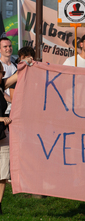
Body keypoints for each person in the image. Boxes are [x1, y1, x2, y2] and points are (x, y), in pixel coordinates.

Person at [0, 56, 32, 214]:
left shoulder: (1, 86)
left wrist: (27, 63)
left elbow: (17, 76)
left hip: (2, 134)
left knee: (3, 172)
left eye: (0, 72)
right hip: (2, 125)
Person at [0, 37, 17, 112]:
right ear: (0, 49)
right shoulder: (0, 67)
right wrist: (12, 100)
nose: (8, 48)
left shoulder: (17, 66)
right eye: (5, 47)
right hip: (3, 110)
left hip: (15, 110)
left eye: (10, 46)